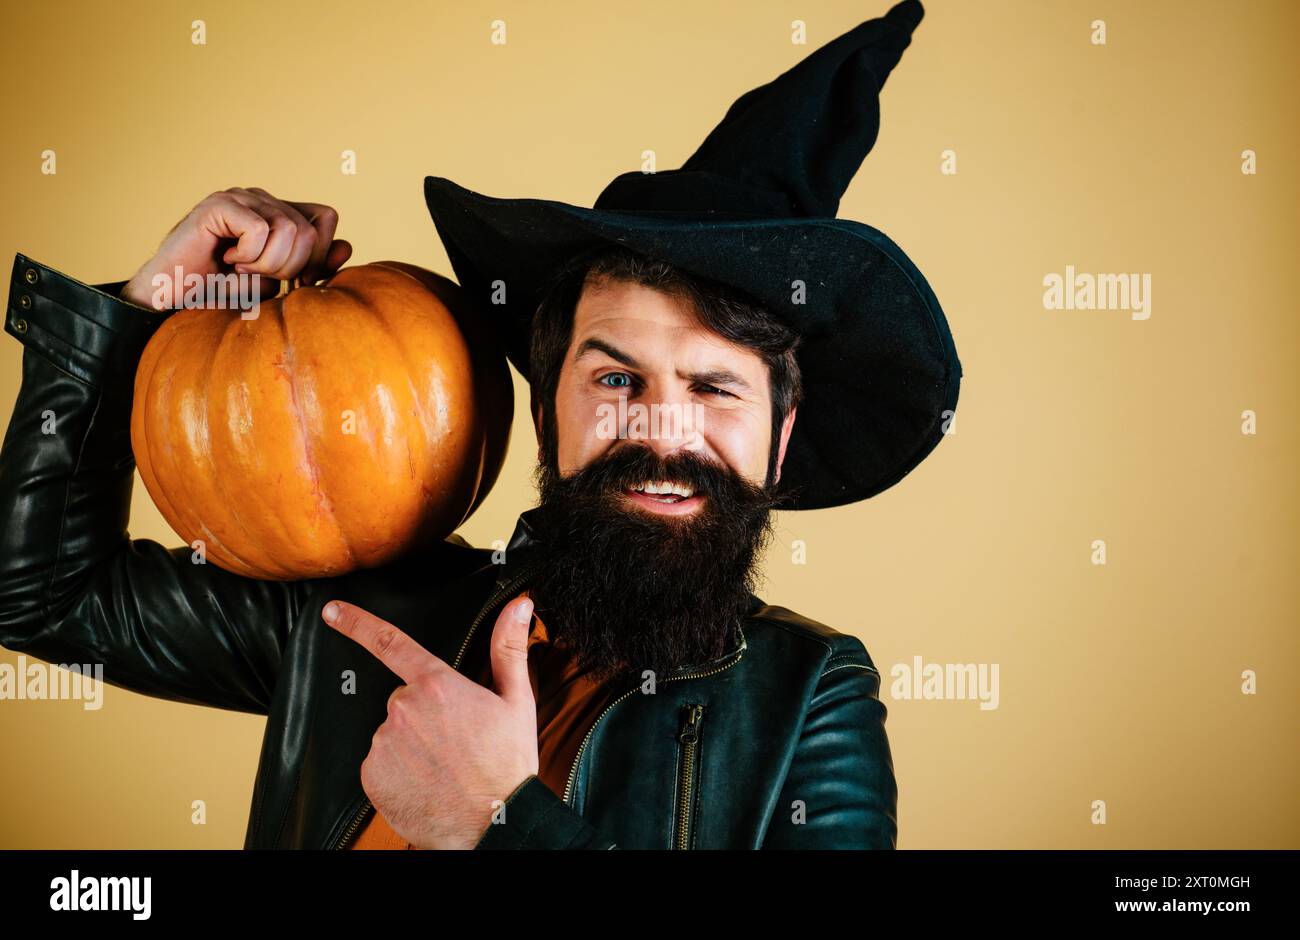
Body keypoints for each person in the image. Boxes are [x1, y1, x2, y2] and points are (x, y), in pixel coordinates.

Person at [0, 0, 959, 849]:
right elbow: (39, 596)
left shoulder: (811, 699)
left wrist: (497, 823)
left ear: (779, 441)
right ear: (547, 411)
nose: (663, 430)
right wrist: (144, 312)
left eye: (715, 389)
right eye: (617, 378)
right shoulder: (365, 618)